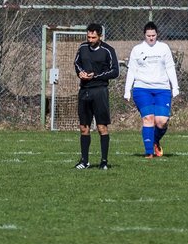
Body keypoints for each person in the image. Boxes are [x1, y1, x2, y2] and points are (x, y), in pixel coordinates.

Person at [124, 20, 180, 158]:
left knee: (161, 122)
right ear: (144, 35)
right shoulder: (137, 50)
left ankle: (155, 141)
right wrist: (127, 90)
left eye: (153, 35)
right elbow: (131, 70)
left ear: (157, 35)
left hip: (162, 89)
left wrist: (175, 87)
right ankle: (149, 152)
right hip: (142, 89)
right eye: (148, 35)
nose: (151, 38)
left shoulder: (164, 48)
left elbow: (170, 68)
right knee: (148, 118)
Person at [73, 22, 120, 170]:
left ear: (100, 36)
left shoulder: (108, 50)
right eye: (88, 37)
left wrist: (96, 76)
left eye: (93, 37)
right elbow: (77, 63)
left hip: (100, 91)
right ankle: (84, 161)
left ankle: (104, 161)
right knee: (83, 127)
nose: (90, 40)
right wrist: (80, 72)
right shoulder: (82, 48)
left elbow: (115, 71)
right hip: (84, 90)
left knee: (101, 127)